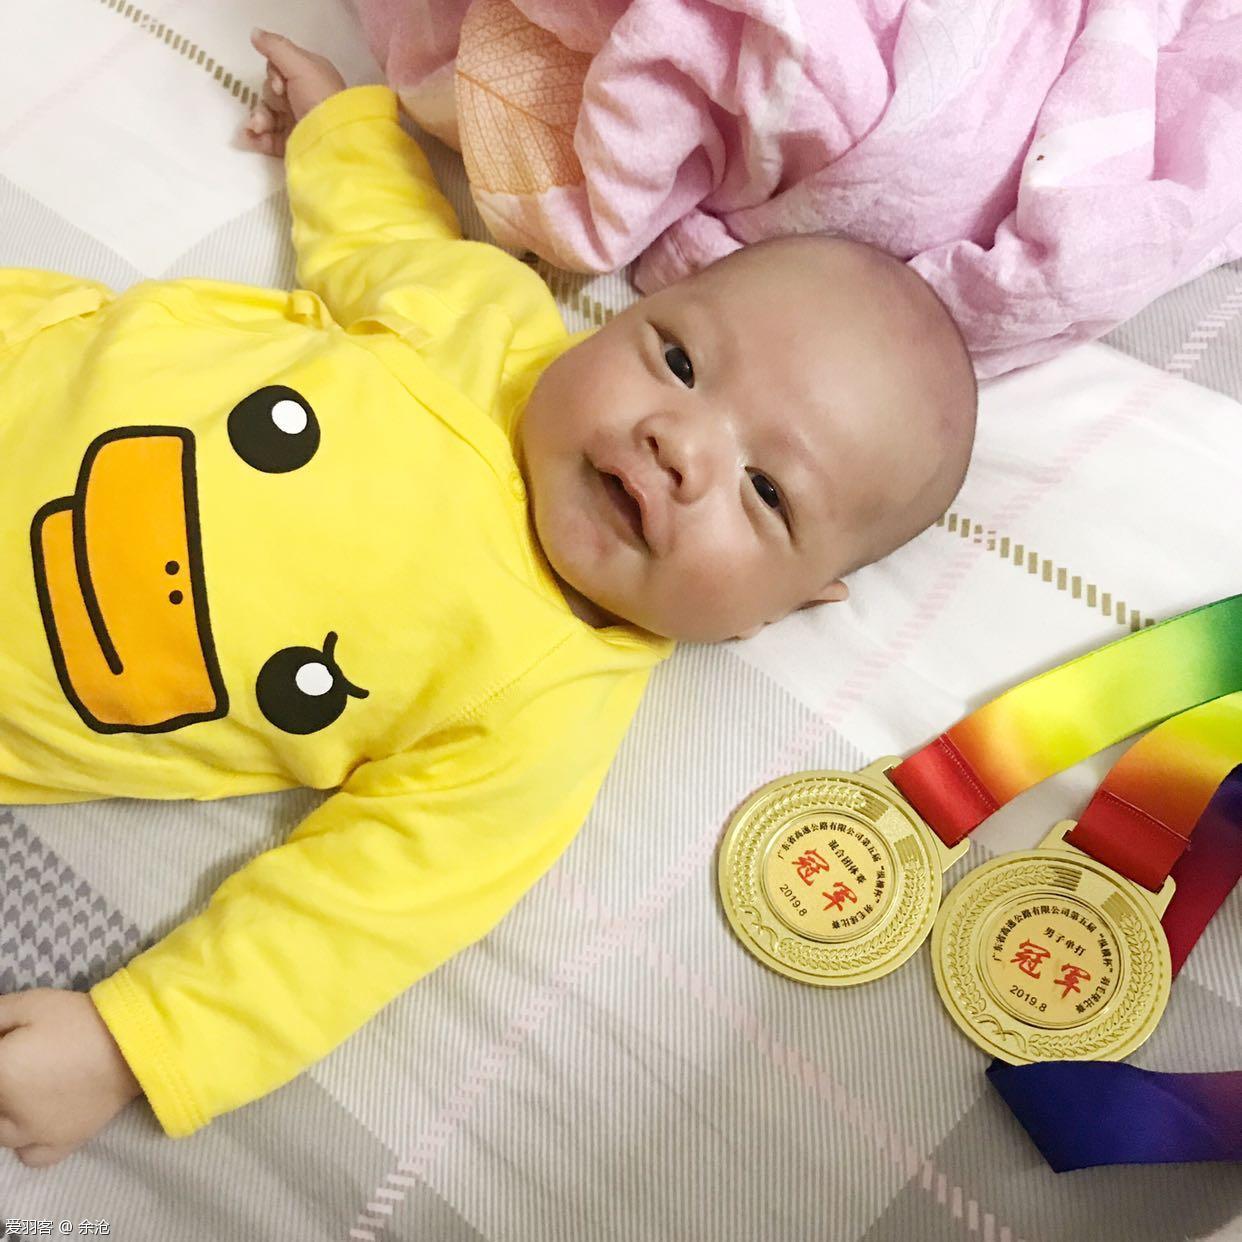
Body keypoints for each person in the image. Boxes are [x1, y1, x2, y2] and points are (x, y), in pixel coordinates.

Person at [0, 30, 977, 1168]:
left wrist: (134, 1044)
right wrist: (340, 129)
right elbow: (380, 236)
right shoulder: (489, 317)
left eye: (765, 491)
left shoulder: (542, 715)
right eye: (677, 361)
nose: (679, 444)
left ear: (785, 607)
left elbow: (361, 912)